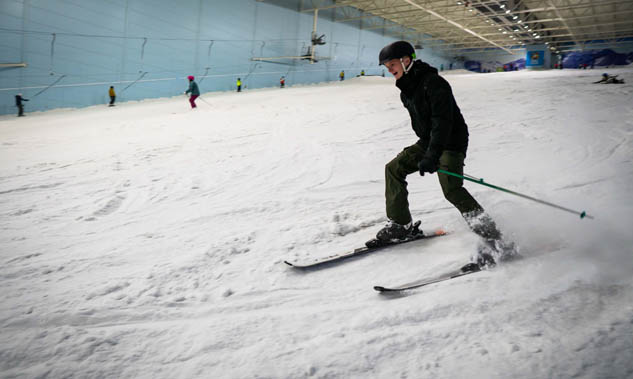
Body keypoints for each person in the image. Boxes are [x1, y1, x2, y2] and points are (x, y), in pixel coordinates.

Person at [373, 40, 515, 266]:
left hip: (451, 141)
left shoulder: (434, 83)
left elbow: (442, 122)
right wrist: (427, 150)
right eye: (386, 66)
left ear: (406, 60)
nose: (389, 69)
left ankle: (497, 242)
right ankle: (402, 225)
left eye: (391, 64)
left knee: (452, 189)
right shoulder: (406, 87)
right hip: (430, 141)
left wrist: (432, 155)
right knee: (393, 169)